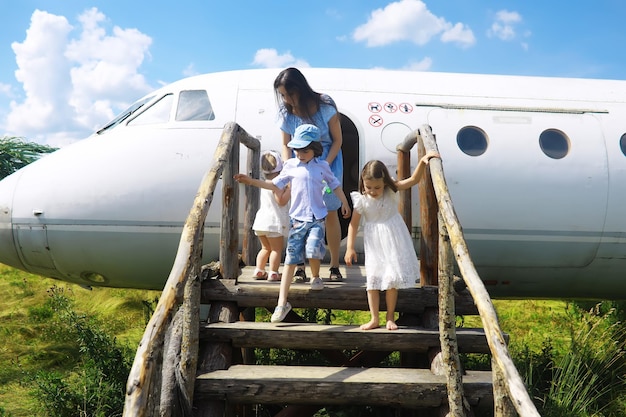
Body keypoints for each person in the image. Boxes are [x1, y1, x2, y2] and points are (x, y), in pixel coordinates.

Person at [235, 124, 351, 323]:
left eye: (304, 150)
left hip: (316, 218)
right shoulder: (290, 166)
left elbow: (335, 185)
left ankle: (315, 276)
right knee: (290, 260)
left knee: (313, 248)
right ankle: (282, 302)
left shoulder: (322, 166)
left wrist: (345, 202)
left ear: (315, 149)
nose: (299, 153)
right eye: (296, 149)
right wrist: (252, 181)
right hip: (297, 219)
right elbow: (274, 184)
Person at [344, 153, 440, 330]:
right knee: (373, 279)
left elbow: (412, 180)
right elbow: (353, 225)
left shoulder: (391, 190)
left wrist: (421, 162)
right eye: (369, 187)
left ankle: (390, 317)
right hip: (374, 242)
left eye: (377, 187)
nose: (372, 191)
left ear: (385, 182)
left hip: (393, 237)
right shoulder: (362, 201)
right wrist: (350, 247)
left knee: (391, 279)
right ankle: (374, 318)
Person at [274, 67, 344, 283]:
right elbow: (286, 144)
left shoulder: (325, 105)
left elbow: (338, 141)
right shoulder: (287, 113)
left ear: (301, 89)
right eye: (283, 95)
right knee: (301, 215)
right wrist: (289, 169)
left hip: (327, 161)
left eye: (289, 94)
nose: (286, 99)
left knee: (329, 212)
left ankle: (333, 265)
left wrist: (323, 165)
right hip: (300, 165)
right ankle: (300, 267)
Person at [251, 150, 290, 282]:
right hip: (274, 222)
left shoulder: (265, 183)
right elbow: (281, 201)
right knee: (276, 250)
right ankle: (273, 272)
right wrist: (289, 190)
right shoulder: (278, 184)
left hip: (261, 222)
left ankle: (259, 270)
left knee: (265, 248)